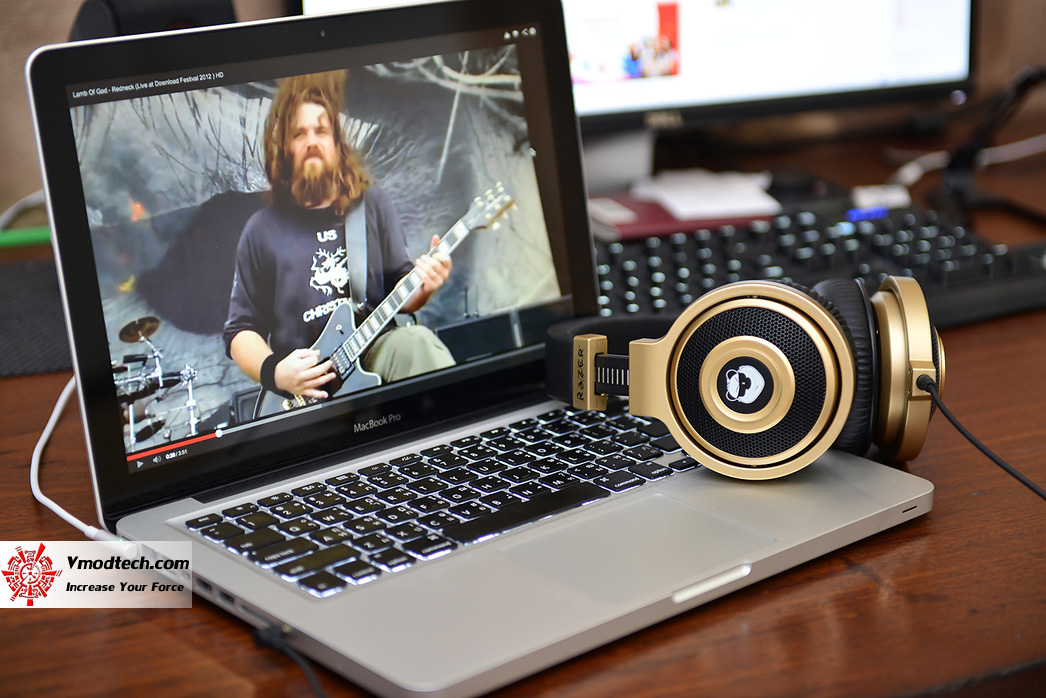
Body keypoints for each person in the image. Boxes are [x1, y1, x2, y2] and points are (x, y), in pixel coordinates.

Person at [223, 71, 454, 405]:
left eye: (321, 131)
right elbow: (240, 330)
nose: (311, 141)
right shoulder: (261, 230)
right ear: (286, 149)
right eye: (299, 134)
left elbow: (403, 289)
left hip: (373, 356)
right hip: (303, 392)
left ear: (336, 143)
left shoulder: (371, 204)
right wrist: (277, 373)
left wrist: (424, 285)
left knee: (417, 343)